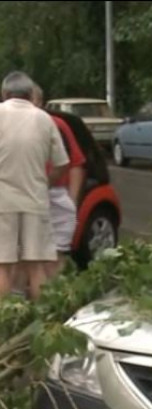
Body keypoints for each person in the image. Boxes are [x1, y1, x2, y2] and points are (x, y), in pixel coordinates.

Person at [0, 71, 69, 300]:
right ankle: (41, 315)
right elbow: (62, 164)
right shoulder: (44, 119)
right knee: (36, 265)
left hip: (2, 202)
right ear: (31, 94)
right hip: (35, 200)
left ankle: (4, 317)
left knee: (3, 266)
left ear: (4, 93)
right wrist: (46, 183)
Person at [31, 84, 86, 277]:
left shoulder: (57, 125)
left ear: (40, 102)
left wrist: (71, 201)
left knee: (54, 256)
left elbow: (76, 164)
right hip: (22, 196)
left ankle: (53, 292)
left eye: (32, 99)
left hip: (54, 196)